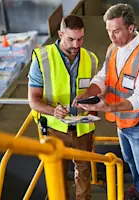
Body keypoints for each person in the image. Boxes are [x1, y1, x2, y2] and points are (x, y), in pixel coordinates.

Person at [73, 4, 139, 200]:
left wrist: (107, 107)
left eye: (116, 31)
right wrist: (87, 93)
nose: (111, 36)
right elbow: (103, 77)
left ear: (131, 28)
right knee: (130, 161)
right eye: (108, 31)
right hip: (121, 121)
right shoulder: (113, 49)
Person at [28, 14, 99, 200]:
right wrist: (54, 111)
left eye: (81, 39)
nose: (76, 45)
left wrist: (93, 104)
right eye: (71, 39)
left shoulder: (91, 59)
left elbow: (95, 93)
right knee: (57, 177)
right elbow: (34, 100)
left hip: (83, 129)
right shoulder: (42, 59)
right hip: (55, 130)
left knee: (84, 174)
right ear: (60, 34)